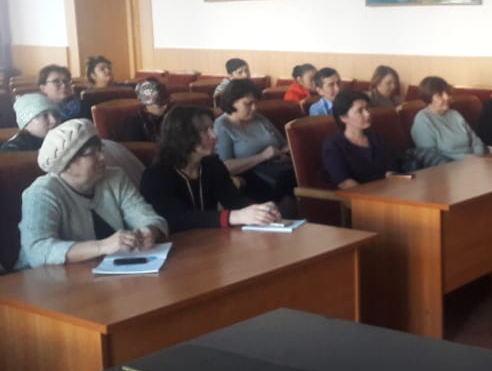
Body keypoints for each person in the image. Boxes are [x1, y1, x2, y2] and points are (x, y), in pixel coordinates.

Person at [17, 119, 168, 268]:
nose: (102, 157)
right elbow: (37, 250)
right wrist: (102, 246)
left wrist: (149, 231)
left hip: (109, 272)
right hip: (47, 279)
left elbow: (147, 216)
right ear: (66, 164)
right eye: (91, 153)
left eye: (100, 149)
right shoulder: (42, 193)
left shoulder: (115, 177)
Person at [141, 105, 282, 232]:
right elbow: (177, 219)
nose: (214, 136)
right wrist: (235, 216)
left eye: (212, 128)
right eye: (205, 131)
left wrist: (259, 210)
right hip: (177, 245)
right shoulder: (156, 176)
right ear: (183, 136)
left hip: (209, 239)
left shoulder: (211, 164)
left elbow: (233, 200)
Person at [1, 92, 145, 185]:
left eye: (55, 114)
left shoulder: (64, 138)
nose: (54, 120)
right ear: (26, 122)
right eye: (44, 116)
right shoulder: (12, 151)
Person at [214, 78, 295, 204]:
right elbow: (224, 166)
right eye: (248, 104)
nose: (254, 108)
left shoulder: (259, 119)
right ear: (232, 102)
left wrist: (285, 154)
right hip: (248, 178)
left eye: (256, 103)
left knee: (300, 176)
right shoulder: (222, 125)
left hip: (276, 170)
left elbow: (284, 145)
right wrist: (262, 156)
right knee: (290, 184)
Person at [322, 91, 400, 189]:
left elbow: (391, 169)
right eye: (360, 111)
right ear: (343, 117)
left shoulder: (377, 138)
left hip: (387, 192)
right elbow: (345, 182)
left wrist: (392, 186)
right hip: (359, 195)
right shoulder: (333, 145)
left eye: (367, 108)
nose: (367, 114)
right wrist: (372, 196)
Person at [411, 76, 485, 162]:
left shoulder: (455, 114)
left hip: (474, 162)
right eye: (439, 95)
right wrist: (466, 159)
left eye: (447, 93)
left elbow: (476, 141)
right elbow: (431, 155)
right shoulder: (422, 120)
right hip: (447, 166)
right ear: (428, 98)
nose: (446, 97)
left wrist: (478, 157)